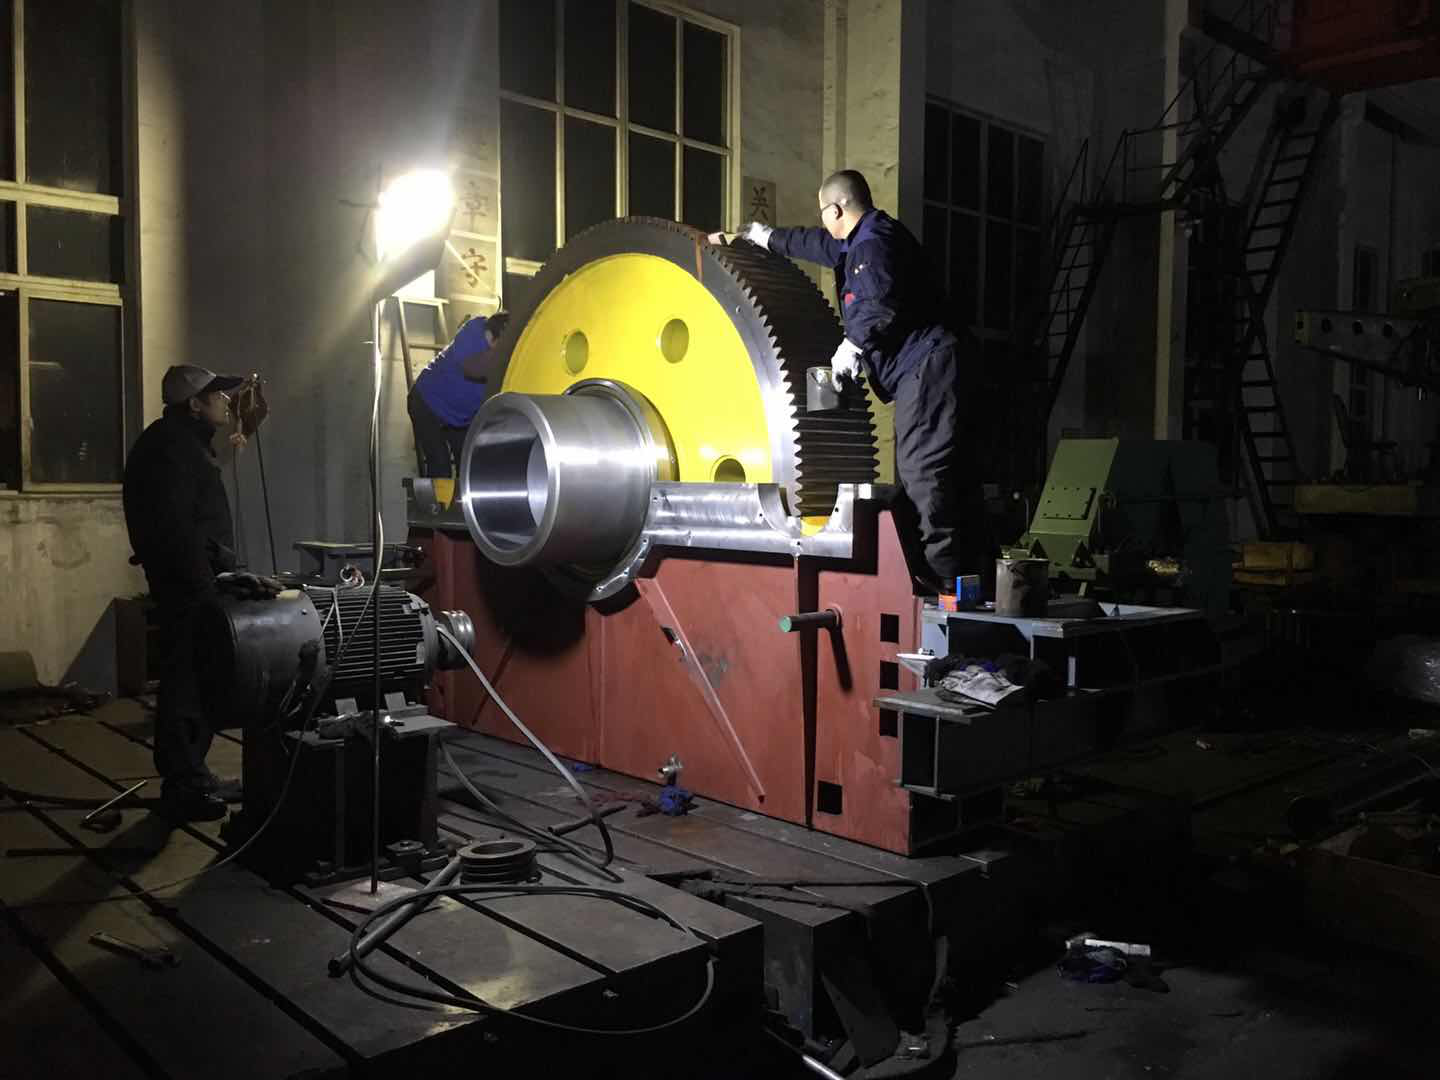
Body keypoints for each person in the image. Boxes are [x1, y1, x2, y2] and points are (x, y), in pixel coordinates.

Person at [713, 169, 986, 591]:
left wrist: (851, 347)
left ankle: (947, 584)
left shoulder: (873, 246)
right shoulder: (864, 237)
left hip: (928, 366)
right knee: (941, 470)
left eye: (823, 214)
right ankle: (971, 575)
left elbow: (876, 305)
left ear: (836, 209)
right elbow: (817, 244)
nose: (823, 223)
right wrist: (764, 237)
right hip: (932, 364)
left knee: (924, 471)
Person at [123, 364, 245, 821]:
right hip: (188, 586)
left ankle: (195, 773)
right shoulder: (170, 449)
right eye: (217, 395)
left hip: (199, 581)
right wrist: (205, 585)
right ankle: (183, 785)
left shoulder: (182, 442)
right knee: (186, 681)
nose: (226, 401)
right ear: (194, 403)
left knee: (201, 677)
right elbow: (175, 528)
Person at [407, 311, 510, 480]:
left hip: (458, 419)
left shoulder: (499, 359)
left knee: (469, 468)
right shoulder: (474, 330)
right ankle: (438, 497)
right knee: (440, 466)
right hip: (426, 403)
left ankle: (461, 497)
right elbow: (471, 369)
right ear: (493, 337)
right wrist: (502, 356)